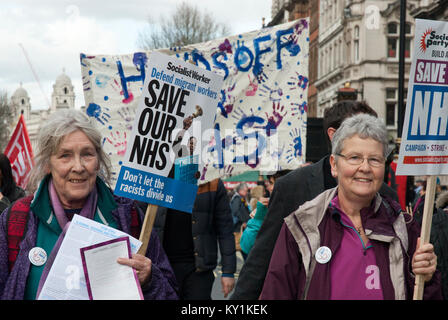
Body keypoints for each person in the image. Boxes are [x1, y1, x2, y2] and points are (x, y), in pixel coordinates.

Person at [0, 109, 178, 300]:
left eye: (87, 154)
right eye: (65, 156)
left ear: (99, 161)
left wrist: (150, 279)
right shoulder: (16, 219)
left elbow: (170, 292)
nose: (78, 167)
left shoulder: (129, 215)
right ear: (47, 164)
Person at [260, 113, 441, 299]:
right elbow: (275, 293)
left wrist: (426, 278)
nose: (365, 167)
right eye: (354, 157)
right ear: (334, 165)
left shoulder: (403, 227)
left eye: (375, 159)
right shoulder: (302, 225)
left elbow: (429, 295)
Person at [231, 100, 398, 300]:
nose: (364, 167)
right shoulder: (293, 187)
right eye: (358, 128)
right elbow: (264, 258)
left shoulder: (387, 199)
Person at [152, 178, 236, 299]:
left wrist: (228, 271)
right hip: (162, 267)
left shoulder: (212, 181)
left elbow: (225, 229)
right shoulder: (155, 176)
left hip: (199, 269)